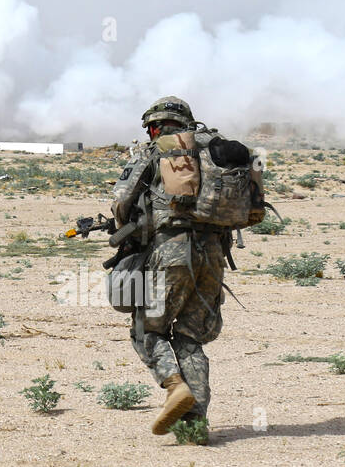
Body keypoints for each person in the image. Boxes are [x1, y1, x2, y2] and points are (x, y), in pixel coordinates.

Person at [110, 95, 261, 439]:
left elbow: (122, 201)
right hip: (214, 254)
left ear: (156, 126)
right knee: (190, 339)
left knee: (146, 329)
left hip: (173, 251)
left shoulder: (159, 151)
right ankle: (194, 426)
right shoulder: (221, 149)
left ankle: (174, 385)